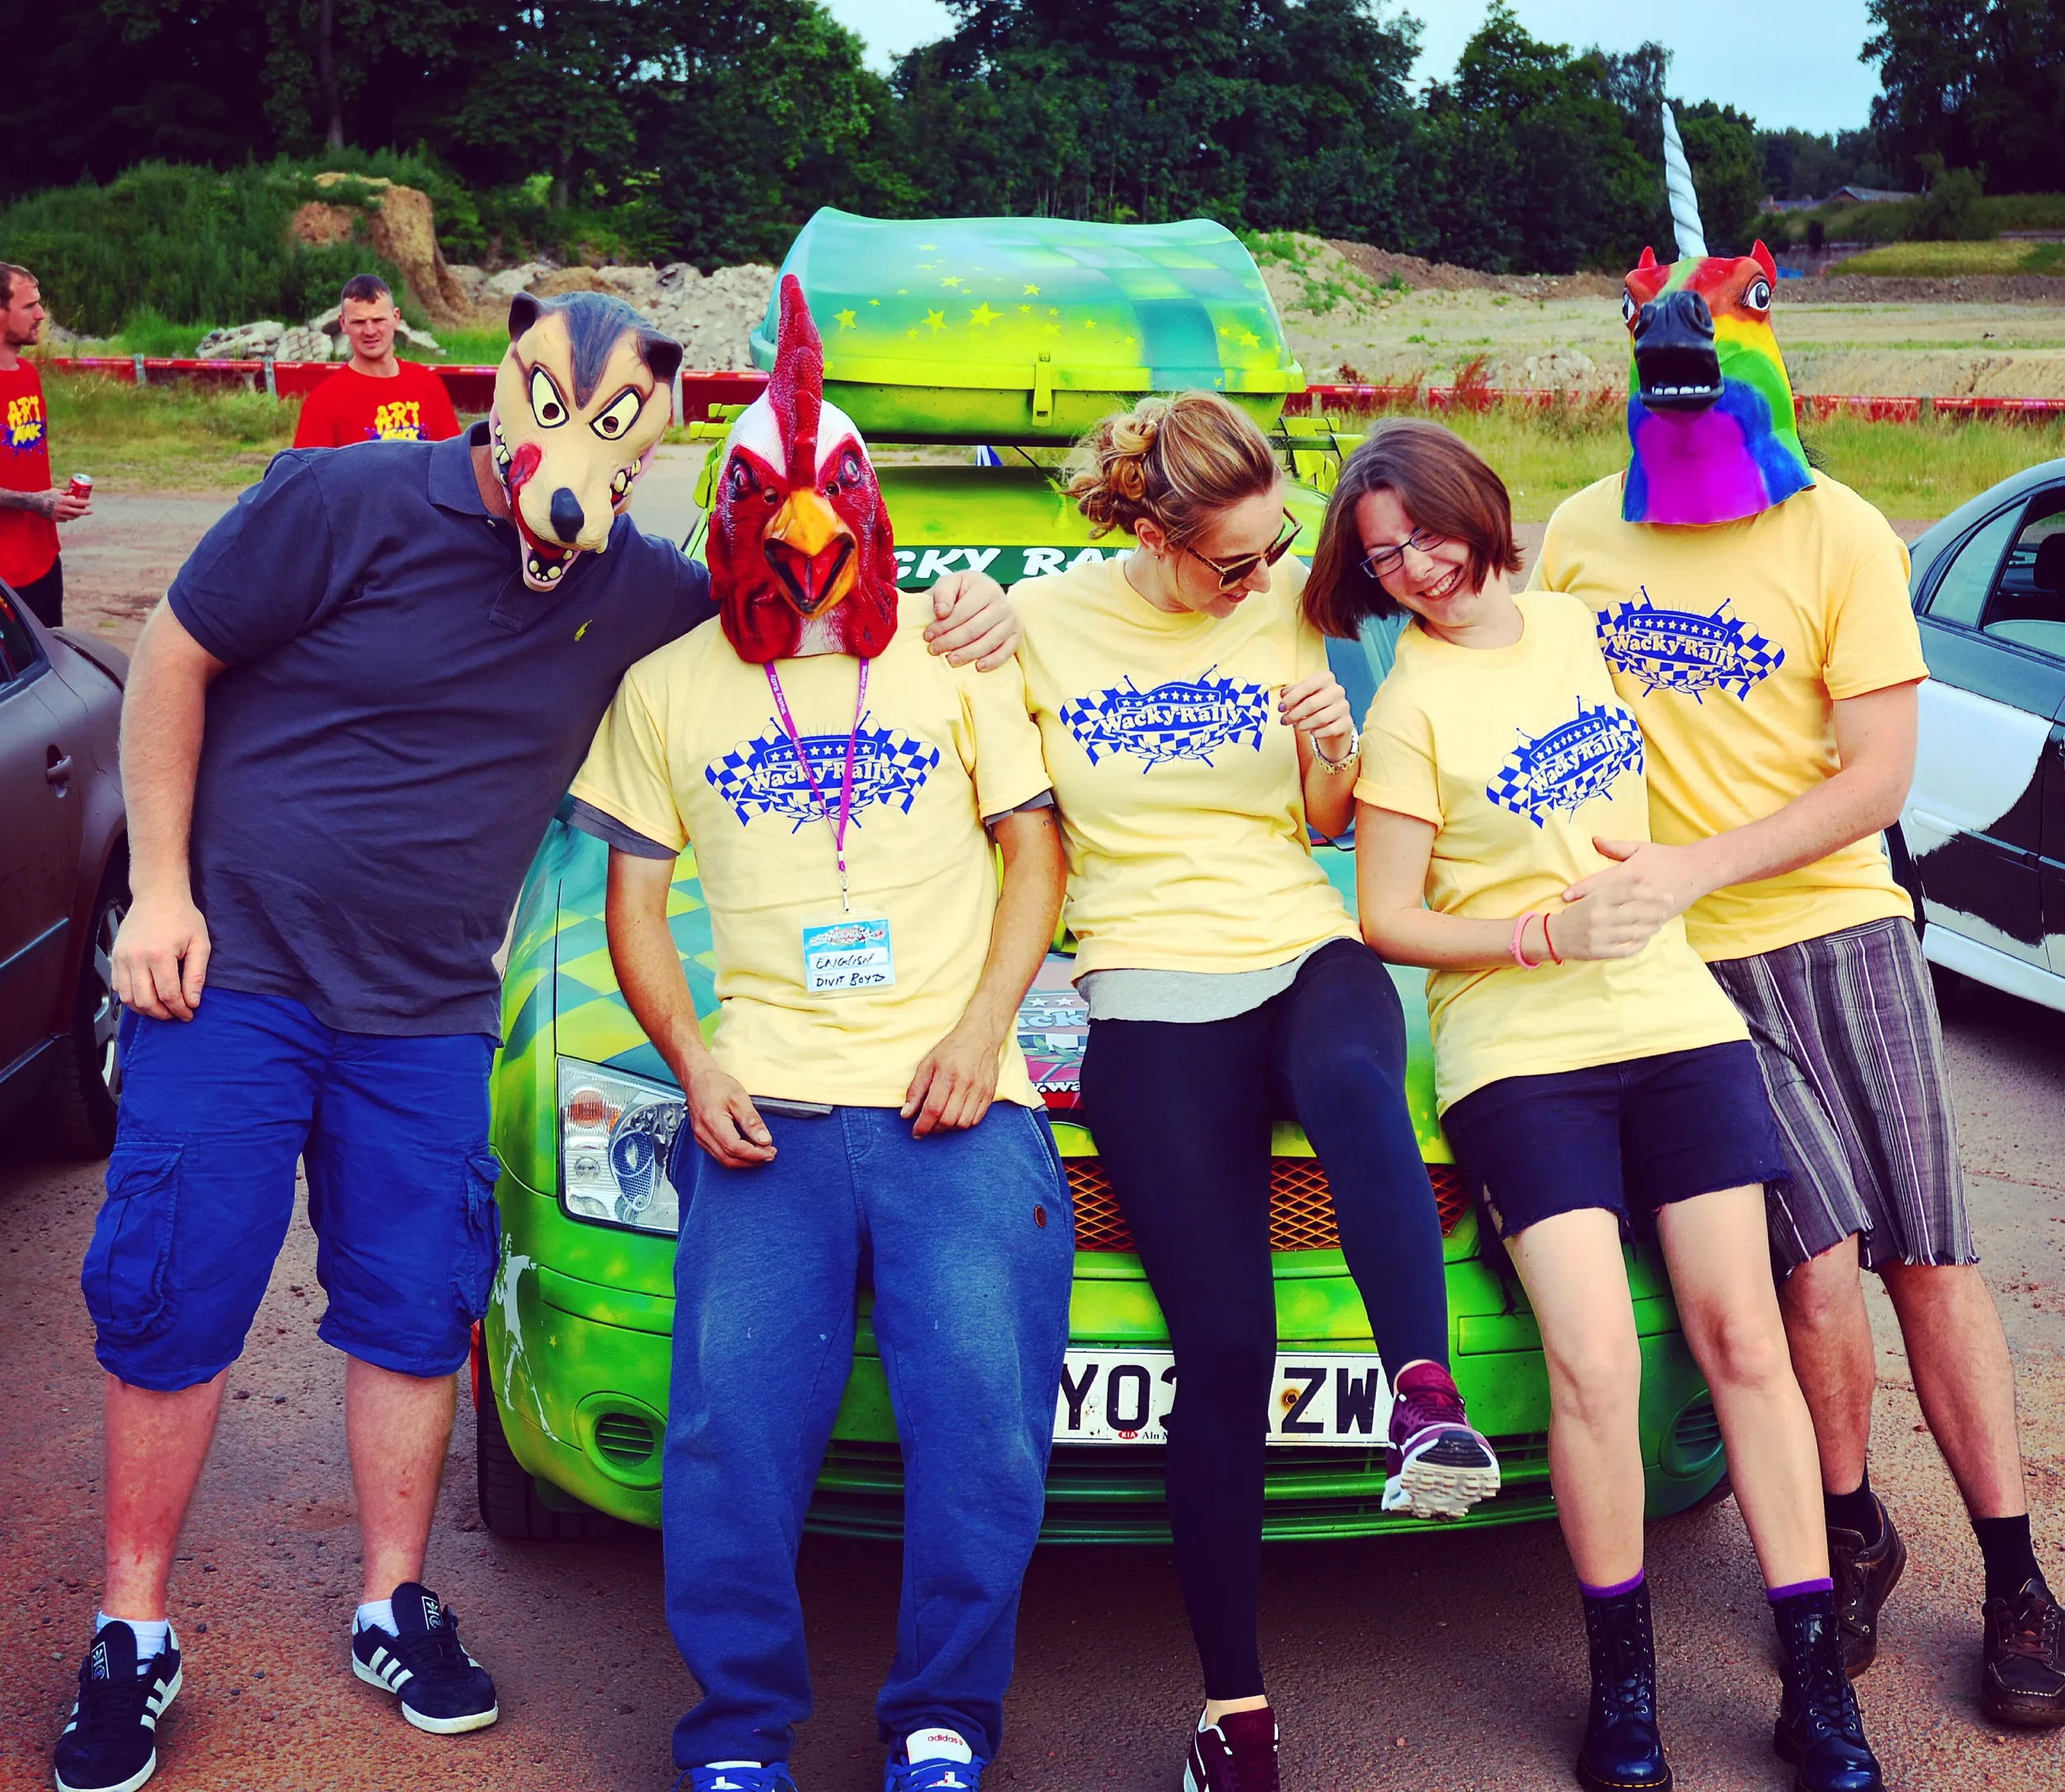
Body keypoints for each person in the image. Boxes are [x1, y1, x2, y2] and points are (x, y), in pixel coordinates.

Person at [50, 289, 1018, 1792]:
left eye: (622, 437)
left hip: (430, 1006)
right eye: (554, 408)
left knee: (414, 1304)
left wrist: (985, 607)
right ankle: (132, 1628)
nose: (575, 465)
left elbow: (802, 591)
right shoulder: (342, 498)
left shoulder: (642, 593)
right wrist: (160, 889)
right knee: (178, 1286)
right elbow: (171, 655)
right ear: (499, 383)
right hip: (236, 973)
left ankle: (391, 1601)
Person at [1531, 112, 2063, 1731]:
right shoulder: (1578, 534)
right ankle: (1845, 1527)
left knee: (1927, 1258)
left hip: (1837, 928)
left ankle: (2014, 1575)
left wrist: (1698, 863)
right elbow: (1521, 714)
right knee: (1811, 1269)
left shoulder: (1835, 529)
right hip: (1683, 970)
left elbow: (1875, 775)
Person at [1329, 419, 1886, 1792]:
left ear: (1477, 507)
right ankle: (1623, 1690)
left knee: (1741, 1332)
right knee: (1594, 1362)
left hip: (1675, 1019)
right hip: (1521, 1054)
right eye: (1384, 557)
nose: (1416, 568)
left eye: (1428, 531)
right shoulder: (1407, 709)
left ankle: (1816, 1686)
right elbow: (1387, 916)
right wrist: (1539, 938)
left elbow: (1722, 665)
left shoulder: (1583, 628)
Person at [568, 278, 1070, 1792]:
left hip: (957, 1106)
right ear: (732, 520)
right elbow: (634, 905)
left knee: (981, 1428)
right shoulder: (664, 689)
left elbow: (1035, 852)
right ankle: (736, 1736)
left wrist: (982, 1029)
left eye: (827, 511)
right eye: (771, 517)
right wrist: (695, 1063)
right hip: (764, 1113)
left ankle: (942, 1721)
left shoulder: (958, 655)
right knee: (730, 1433)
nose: (803, 548)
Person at [1010, 391, 1498, 1792]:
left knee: (1354, 1073)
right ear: (1153, 536)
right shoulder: (1042, 625)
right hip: (1145, 984)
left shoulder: (1288, 602)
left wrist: (1333, 744)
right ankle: (1235, 1716)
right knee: (1226, 1349)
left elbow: (1329, 821)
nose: (1264, 573)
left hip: (1298, 942)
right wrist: (963, 614)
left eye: (1276, 544)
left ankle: (1425, 1401)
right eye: (1234, 559)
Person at [0, 262, 93, 627]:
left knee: (51, 657)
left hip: (43, 561)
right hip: (4, 577)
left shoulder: (29, 376)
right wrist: (35, 502)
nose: (41, 314)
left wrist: (49, 501)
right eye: (29, 306)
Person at [290, 273, 461, 448]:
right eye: (359, 322)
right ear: (343, 323)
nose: (370, 331)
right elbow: (307, 466)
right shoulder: (323, 403)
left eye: (378, 320)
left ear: (396, 318)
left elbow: (454, 457)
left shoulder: (429, 384)